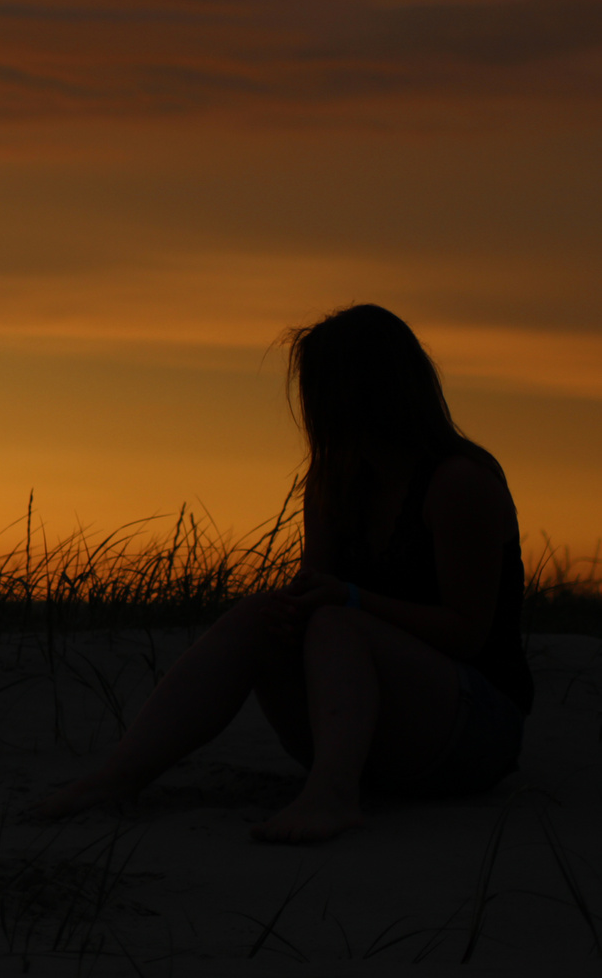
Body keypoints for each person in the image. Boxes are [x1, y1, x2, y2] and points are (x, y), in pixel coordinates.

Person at [30, 304, 533, 843]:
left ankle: (332, 796)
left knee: (340, 621)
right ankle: (117, 778)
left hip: (473, 728)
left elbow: (468, 632)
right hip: (375, 729)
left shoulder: (459, 483)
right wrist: (305, 605)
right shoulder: (335, 483)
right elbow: (316, 598)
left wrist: (351, 600)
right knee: (265, 613)